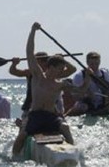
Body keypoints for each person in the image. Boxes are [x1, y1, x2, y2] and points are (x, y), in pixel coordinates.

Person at [11, 23, 91, 156]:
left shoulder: (60, 84)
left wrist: (87, 78)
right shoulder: (37, 76)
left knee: (65, 127)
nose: (62, 71)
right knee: (22, 134)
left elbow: (81, 91)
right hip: (35, 116)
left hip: (50, 117)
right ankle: (13, 158)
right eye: (60, 68)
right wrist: (32, 31)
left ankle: (73, 154)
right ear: (51, 67)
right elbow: (29, 53)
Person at [9, 51, 75, 115]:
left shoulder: (54, 72)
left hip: (51, 109)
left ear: (40, 61)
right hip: (31, 107)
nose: (33, 63)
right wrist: (14, 64)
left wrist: (61, 60)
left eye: (35, 61)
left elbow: (72, 70)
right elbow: (13, 71)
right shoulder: (31, 73)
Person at [65, 51, 109, 116]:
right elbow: (76, 97)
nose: (94, 66)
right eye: (92, 64)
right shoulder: (79, 76)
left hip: (103, 104)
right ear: (87, 63)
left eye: (96, 63)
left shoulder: (104, 73)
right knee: (82, 107)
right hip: (86, 104)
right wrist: (86, 95)